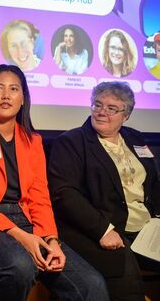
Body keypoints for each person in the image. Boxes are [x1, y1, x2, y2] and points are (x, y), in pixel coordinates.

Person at [0, 64, 109, 301]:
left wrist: (51, 241)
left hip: (26, 220)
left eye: (13, 89)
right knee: (20, 265)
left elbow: (39, 198)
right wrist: (22, 237)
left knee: (91, 284)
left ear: (23, 98)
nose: (5, 95)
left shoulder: (33, 141)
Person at [48, 81, 160, 301]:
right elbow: (64, 194)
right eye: (97, 105)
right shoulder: (71, 142)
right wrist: (103, 230)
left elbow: (153, 182)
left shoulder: (135, 138)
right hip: (102, 230)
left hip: (146, 227)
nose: (101, 112)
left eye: (111, 108)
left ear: (125, 115)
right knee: (124, 272)